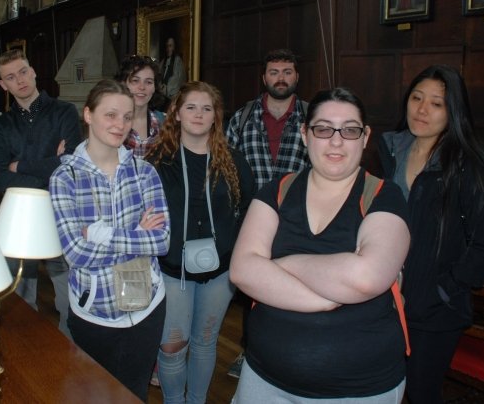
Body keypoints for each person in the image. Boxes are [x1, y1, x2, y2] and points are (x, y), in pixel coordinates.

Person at [229, 87, 410, 402]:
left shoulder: (385, 195)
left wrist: (279, 265)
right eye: (323, 128)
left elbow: (365, 278)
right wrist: (327, 296)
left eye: (350, 130)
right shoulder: (277, 192)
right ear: (304, 134)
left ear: (365, 137)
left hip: (359, 389)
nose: (336, 140)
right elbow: (243, 271)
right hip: (263, 378)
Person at [378, 65, 484, 404]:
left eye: (437, 103)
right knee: (379, 390)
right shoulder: (390, 151)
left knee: (421, 394)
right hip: (383, 298)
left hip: (434, 310)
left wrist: (441, 289)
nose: (422, 109)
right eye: (417, 98)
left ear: (454, 112)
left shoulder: (470, 163)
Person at [49, 79, 170, 400]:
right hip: (94, 311)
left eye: (127, 117)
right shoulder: (65, 177)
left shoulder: (144, 172)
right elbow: (75, 254)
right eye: (111, 115)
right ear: (88, 114)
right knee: (95, 394)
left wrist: (101, 234)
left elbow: (161, 242)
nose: (120, 125)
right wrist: (137, 236)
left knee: (134, 394)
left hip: (147, 308)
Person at [145, 81, 254, 404]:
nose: (199, 114)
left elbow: (250, 207)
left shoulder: (232, 159)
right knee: (171, 346)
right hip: (171, 267)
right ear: (176, 113)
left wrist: (234, 247)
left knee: (206, 341)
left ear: (215, 117)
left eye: (207, 108)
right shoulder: (157, 160)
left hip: (218, 268)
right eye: (191, 107)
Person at [224, 48, 311, 377]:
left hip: (298, 219)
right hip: (252, 219)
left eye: (287, 71)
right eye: (274, 71)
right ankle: (249, 353)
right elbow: (226, 164)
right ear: (264, 77)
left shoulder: (311, 116)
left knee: (294, 284)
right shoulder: (243, 117)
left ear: (296, 77)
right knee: (253, 291)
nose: (281, 78)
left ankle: (291, 353)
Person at [0, 48, 82, 338]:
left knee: (69, 301)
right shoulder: (2, 125)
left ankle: (70, 357)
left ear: (33, 71)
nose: (20, 80)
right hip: (19, 218)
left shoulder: (64, 111)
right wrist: (48, 168)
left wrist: (20, 166)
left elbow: (70, 166)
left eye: (23, 71)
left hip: (61, 214)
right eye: (11, 77)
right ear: (4, 84)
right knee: (19, 301)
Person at [115, 55, 165, 158]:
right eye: (135, 81)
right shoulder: (111, 122)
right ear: (123, 84)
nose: (142, 87)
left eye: (148, 82)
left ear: (154, 87)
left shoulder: (164, 122)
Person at [156, 37, 187, 111]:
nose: (168, 49)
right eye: (167, 46)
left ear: (174, 47)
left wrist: (166, 88)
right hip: (162, 96)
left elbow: (177, 79)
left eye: (170, 46)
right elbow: (158, 75)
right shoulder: (163, 61)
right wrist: (161, 86)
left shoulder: (177, 61)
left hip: (172, 96)